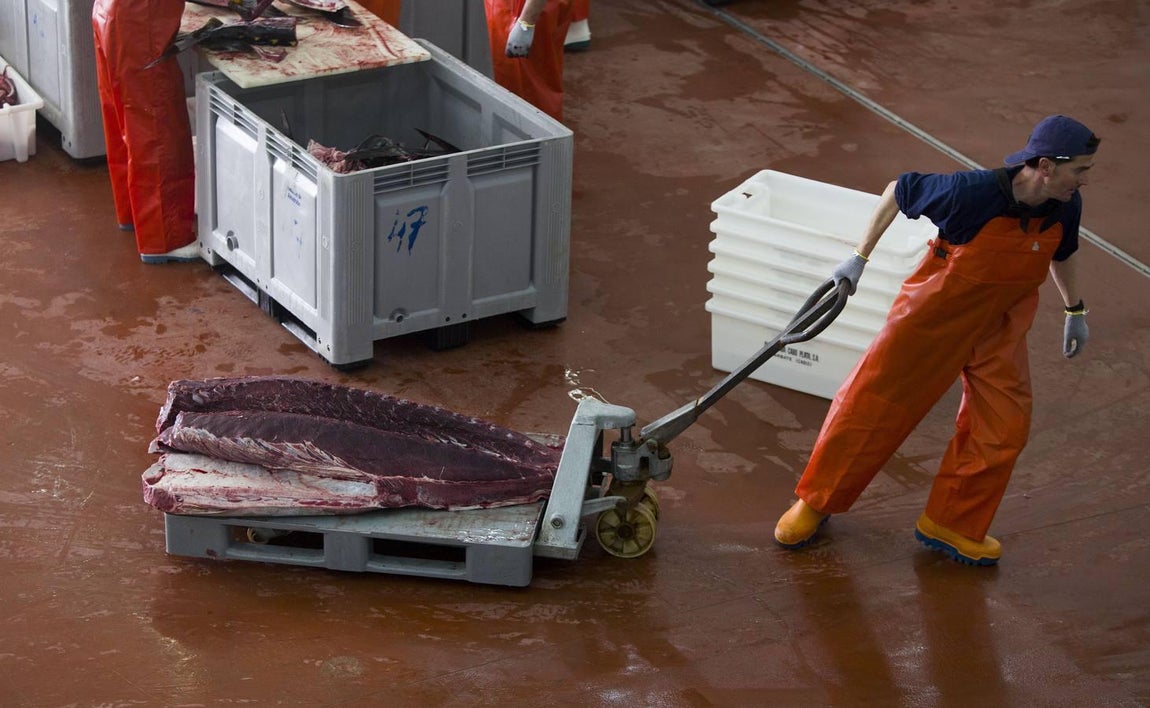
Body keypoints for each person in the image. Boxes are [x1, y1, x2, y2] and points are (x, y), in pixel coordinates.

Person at [774, 115, 1099, 566]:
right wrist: (858, 258)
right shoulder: (971, 193)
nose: (1085, 179)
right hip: (932, 319)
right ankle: (815, 502)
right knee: (873, 405)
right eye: (1080, 169)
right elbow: (897, 189)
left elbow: (1063, 251)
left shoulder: (1066, 203)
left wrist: (1075, 309)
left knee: (1002, 428)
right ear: (1045, 165)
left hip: (999, 328)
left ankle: (951, 523)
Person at [92, 0, 199, 264]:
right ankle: (165, 237)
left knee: (126, 114)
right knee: (157, 121)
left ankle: (135, 213)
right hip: (142, 18)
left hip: (112, 11)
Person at [484, 0, 573, 121]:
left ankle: (539, 135)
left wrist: (526, 22)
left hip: (522, 9)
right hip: (515, 8)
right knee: (537, 76)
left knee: (527, 88)